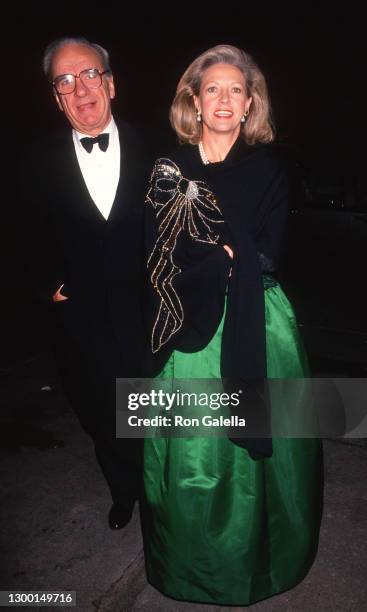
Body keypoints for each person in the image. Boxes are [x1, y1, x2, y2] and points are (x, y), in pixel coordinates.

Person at [142, 45, 323, 606]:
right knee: (189, 453)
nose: (224, 99)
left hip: (259, 322)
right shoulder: (168, 168)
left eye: (236, 90)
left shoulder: (269, 168)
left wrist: (214, 252)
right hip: (186, 327)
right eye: (212, 89)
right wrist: (217, 253)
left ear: (250, 105)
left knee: (265, 457)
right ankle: (192, 566)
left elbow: (268, 253)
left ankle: (265, 562)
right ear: (193, 101)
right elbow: (152, 255)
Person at [21, 37, 150, 529]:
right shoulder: (33, 160)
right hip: (80, 320)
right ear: (57, 97)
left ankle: (161, 499)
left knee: (155, 416)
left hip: (148, 317)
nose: (80, 89)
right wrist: (48, 286)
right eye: (65, 81)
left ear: (111, 84)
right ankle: (123, 492)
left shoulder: (159, 147)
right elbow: (21, 234)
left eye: (91, 74)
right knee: (101, 416)